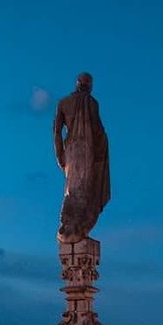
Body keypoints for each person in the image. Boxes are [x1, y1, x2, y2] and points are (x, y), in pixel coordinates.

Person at [53, 72, 111, 241]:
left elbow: (56, 132)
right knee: (84, 188)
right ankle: (76, 226)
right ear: (90, 86)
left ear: (77, 84)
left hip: (70, 150)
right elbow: (98, 132)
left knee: (72, 188)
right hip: (86, 151)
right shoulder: (92, 103)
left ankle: (70, 225)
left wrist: (59, 154)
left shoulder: (64, 103)